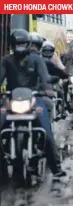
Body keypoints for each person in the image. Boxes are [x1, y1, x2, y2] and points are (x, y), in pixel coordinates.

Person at [0, 29, 66, 179]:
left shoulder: (37, 60)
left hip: (35, 99)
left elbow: (45, 77)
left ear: (28, 45)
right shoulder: (6, 60)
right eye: (17, 45)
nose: (20, 48)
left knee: (46, 130)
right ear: (12, 45)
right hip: (11, 101)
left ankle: (56, 168)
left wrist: (48, 88)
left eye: (23, 44)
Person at [42, 40, 69, 119]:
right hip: (41, 81)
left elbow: (61, 67)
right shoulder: (39, 57)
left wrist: (65, 74)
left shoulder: (55, 57)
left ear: (53, 51)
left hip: (53, 79)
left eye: (49, 51)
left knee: (60, 92)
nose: (47, 53)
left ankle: (63, 111)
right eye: (45, 50)